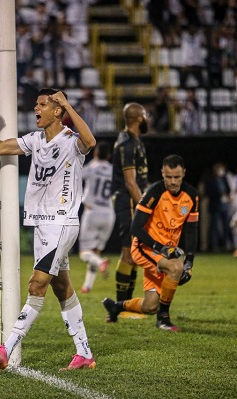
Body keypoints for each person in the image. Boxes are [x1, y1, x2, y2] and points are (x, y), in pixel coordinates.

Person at [0, 88, 97, 371]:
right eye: (36, 104)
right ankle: (84, 354)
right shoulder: (34, 140)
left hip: (61, 222)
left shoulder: (71, 140)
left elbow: (90, 141)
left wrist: (68, 105)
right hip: (41, 225)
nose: (36, 108)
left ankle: (6, 348)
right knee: (62, 287)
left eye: (42, 104)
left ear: (57, 110)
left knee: (36, 284)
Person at [102, 155, 198, 331]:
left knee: (149, 306)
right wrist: (160, 248)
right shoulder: (154, 193)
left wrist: (189, 261)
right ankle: (164, 319)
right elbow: (136, 228)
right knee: (175, 267)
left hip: (164, 253)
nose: (173, 181)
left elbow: (191, 229)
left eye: (177, 177)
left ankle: (116, 307)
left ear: (184, 173)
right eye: (168, 177)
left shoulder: (191, 195)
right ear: (162, 173)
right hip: (144, 247)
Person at [111, 102, 149, 307]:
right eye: (146, 115)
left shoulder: (133, 141)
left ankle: (125, 305)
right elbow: (130, 182)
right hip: (129, 201)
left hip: (131, 200)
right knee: (128, 252)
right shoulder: (127, 143)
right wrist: (145, 207)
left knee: (134, 253)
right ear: (140, 118)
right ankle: (119, 306)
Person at [78, 141, 115, 293]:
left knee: (84, 253)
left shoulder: (91, 168)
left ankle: (100, 263)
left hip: (92, 212)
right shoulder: (113, 170)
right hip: (108, 214)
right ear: (109, 156)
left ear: (95, 153)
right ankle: (87, 286)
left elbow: (76, 175)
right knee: (95, 251)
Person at [203, 162, 232, 252]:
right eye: (219, 169)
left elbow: (228, 189)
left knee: (226, 227)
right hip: (215, 206)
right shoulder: (210, 180)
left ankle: (225, 245)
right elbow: (208, 193)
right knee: (214, 227)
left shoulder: (224, 179)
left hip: (224, 206)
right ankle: (214, 247)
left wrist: (227, 196)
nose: (221, 171)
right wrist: (220, 195)